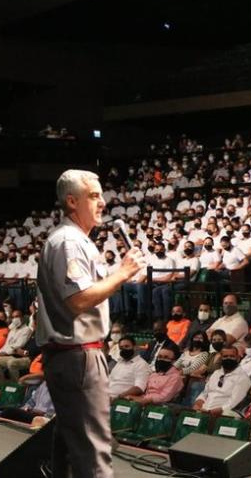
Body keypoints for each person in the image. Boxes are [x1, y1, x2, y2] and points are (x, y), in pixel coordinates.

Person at [35, 169, 145, 478]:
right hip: (79, 355)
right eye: (94, 196)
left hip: (68, 355)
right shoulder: (70, 242)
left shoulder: (68, 239)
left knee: (69, 449)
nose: (103, 202)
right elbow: (79, 300)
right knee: (93, 452)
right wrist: (122, 273)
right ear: (72, 202)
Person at [194, 345, 251, 417]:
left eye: (232, 356)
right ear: (221, 358)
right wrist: (198, 402)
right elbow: (205, 393)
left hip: (224, 415)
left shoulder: (243, 378)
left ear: (238, 358)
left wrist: (213, 411)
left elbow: (233, 403)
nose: (228, 358)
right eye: (225, 356)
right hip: (204, 411)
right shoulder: (216, 373)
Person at [0, 308, 34, 383]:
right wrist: (0, 352)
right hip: (8, 354)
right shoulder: (12, 330)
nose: (15, 319)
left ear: (22, 318)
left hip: (17, 355)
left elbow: (19, 345)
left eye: (17, 316)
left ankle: (15, 384)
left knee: (11, 363)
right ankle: (2, 383)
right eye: (13, 317)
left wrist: (4, 353)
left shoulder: (27, 330)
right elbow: (7, 344)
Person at [108, 335, 151, 400]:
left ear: (135, 347)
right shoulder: (119, 362)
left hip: (120, 400)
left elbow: (139, 388)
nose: (124, 349)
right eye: (121, 348)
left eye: (127, 346)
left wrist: (118, 397)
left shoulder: (141, 365)